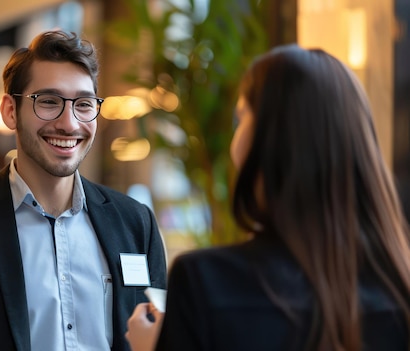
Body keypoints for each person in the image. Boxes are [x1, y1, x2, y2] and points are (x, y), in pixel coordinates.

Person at [0, 30, 167, 351]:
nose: (69, 123)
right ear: (10, 111)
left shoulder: (136, 224)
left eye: (83, 104)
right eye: (49, 102)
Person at [126, 44, 410, 350]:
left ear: (268, 141)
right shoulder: (396, 293)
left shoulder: (206, 284)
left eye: (242, 117)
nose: (234, 142)